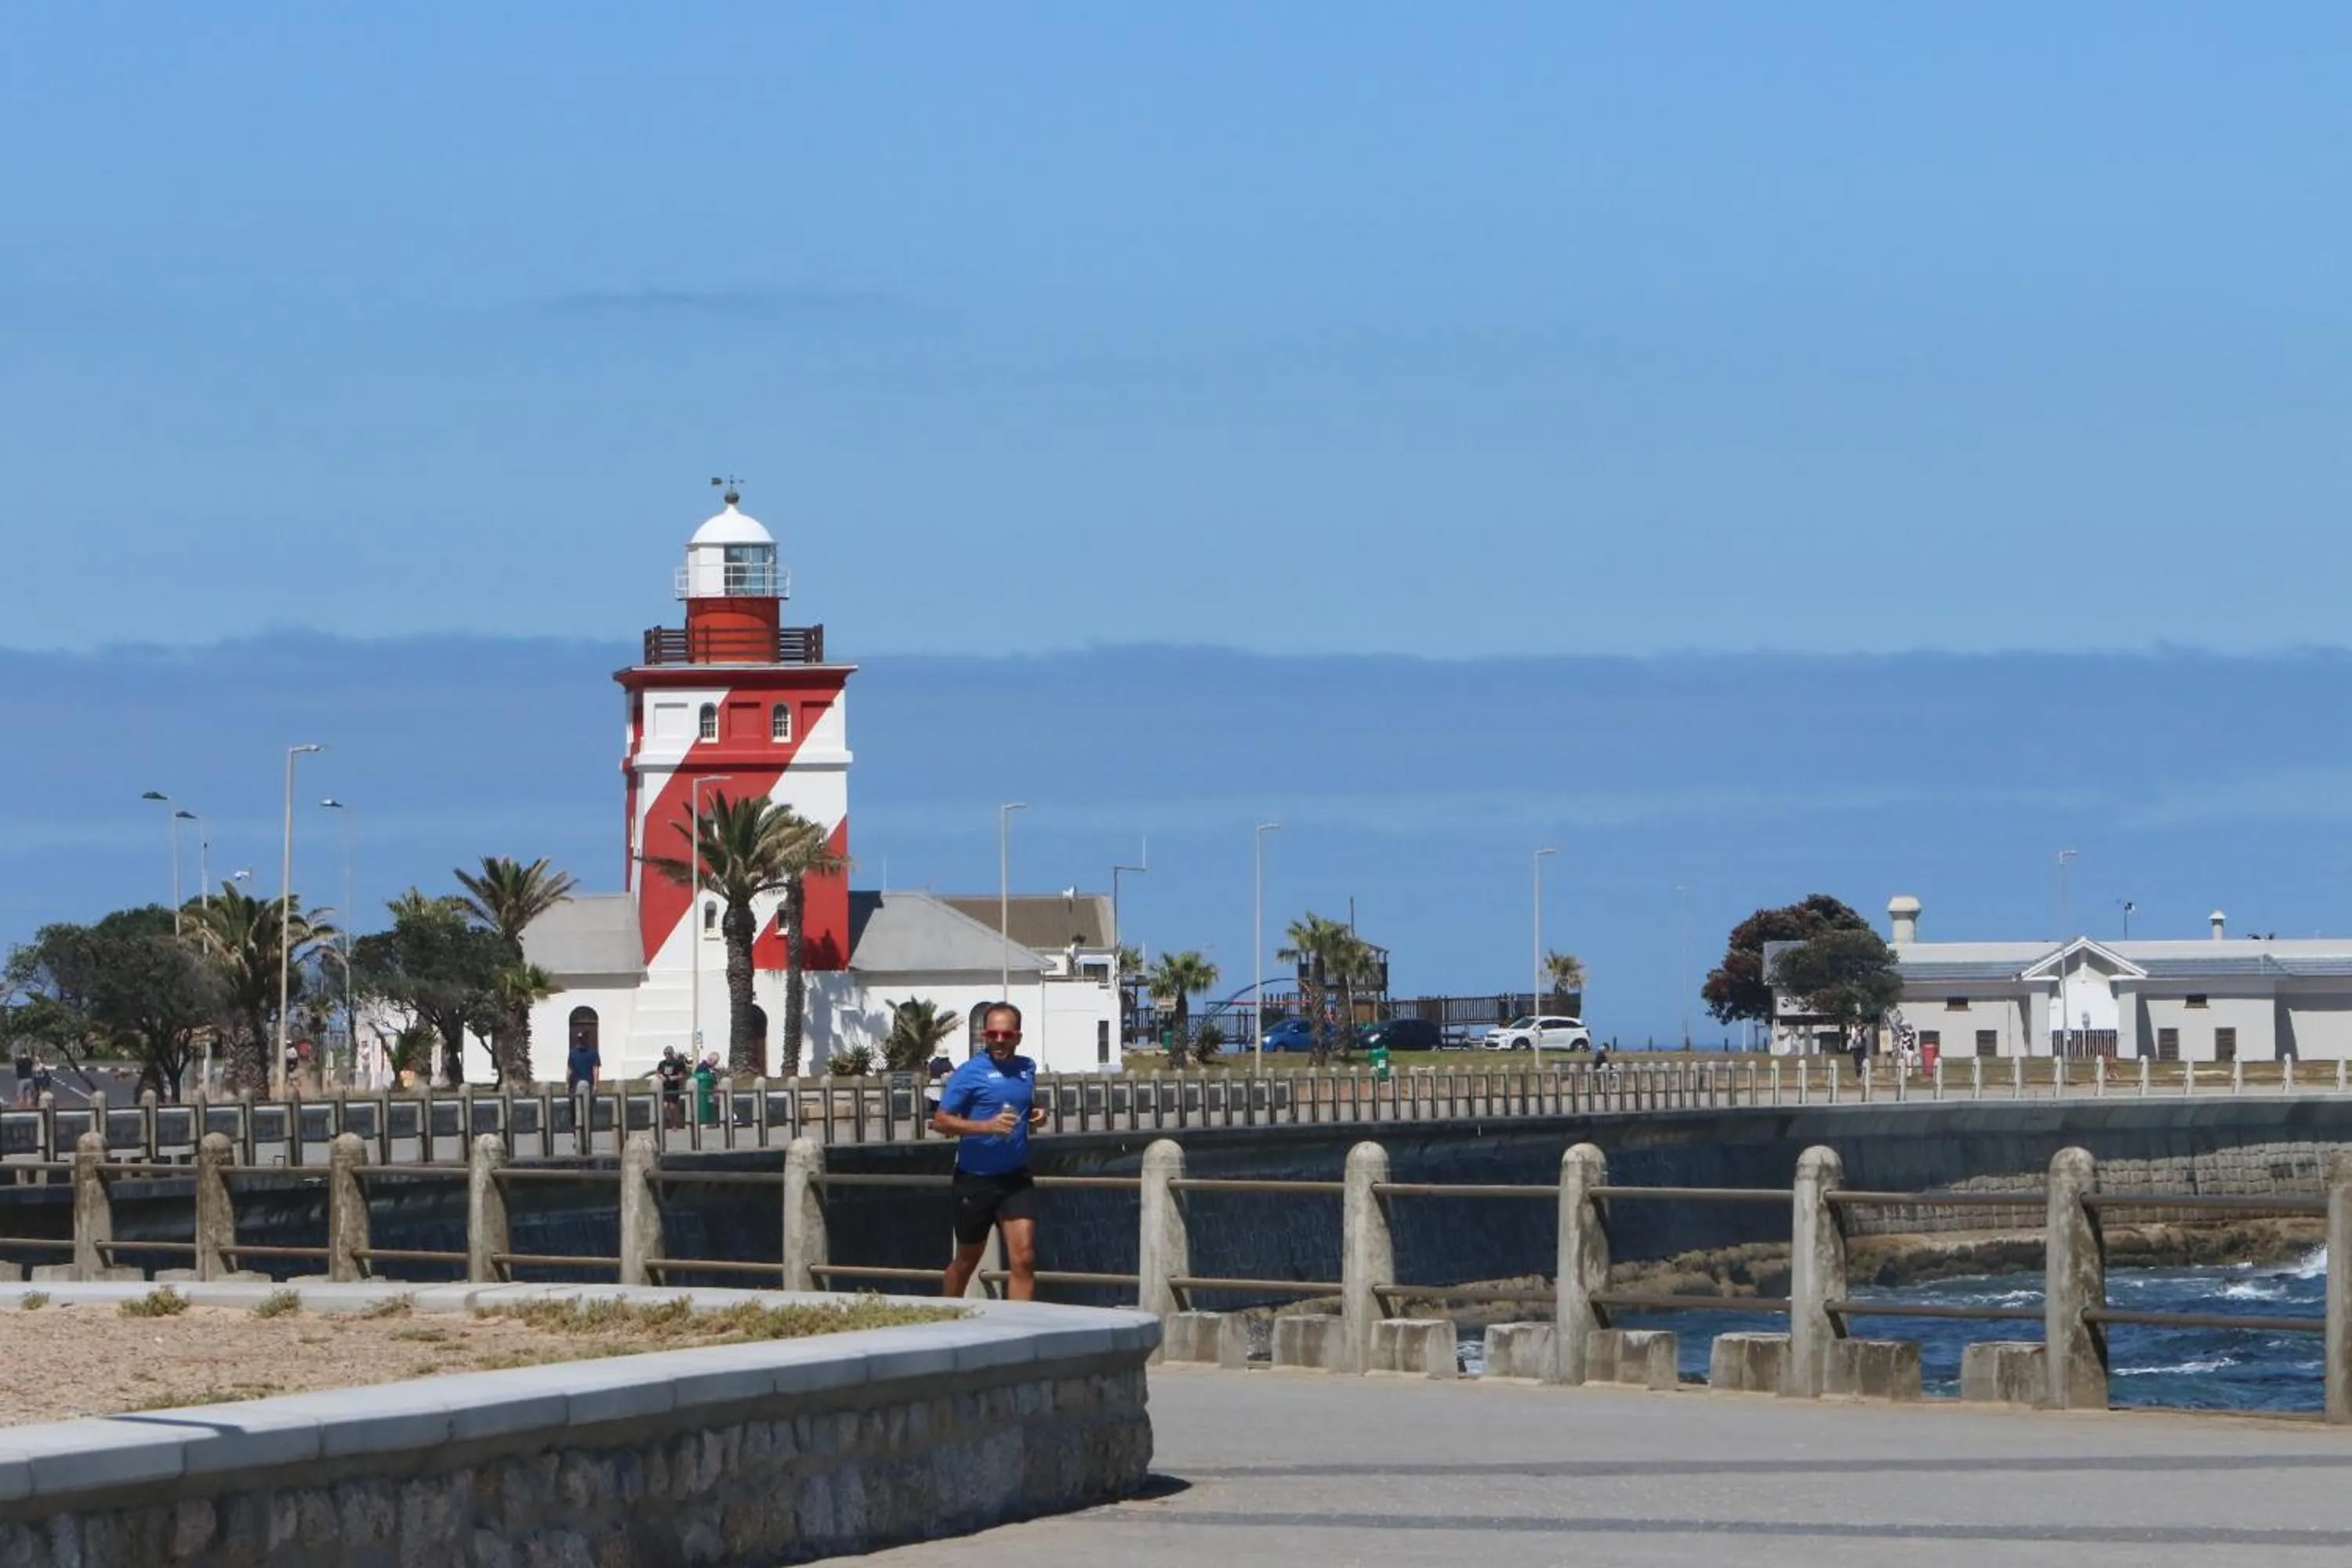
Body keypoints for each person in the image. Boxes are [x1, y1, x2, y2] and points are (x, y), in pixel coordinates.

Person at [932, 1001, 1047, 1301]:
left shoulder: (1027, 1068)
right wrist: (987, 1127)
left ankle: (1018, 1336)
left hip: (1015, 1179)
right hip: (976, 1179)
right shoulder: (969, 1073)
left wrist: (1036, 1114)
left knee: (1024, 1259)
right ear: (984, 1035)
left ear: (1018, 1037)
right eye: (992, 1033)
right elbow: (941, 1122)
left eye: (1006, 1035)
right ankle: (945, 1316)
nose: (999, 1040)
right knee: (967, 1260)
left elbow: (1021, 1104)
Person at [655, 1046, 687, 1127]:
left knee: (673, 1106)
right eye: (666, 1054)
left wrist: (674, 1077)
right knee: (665, 1105)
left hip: (674, 1087)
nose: (667, 1056)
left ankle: (675, 1123)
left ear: (672, 1053)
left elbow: (682, 1075)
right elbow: (658, 1073)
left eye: (669, 1054)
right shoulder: (662, 1063)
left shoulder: (678, 1063)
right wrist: (661, 1077)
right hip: (665, 1087)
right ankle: (668, 1121)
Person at [566, 1029, 602, 1096]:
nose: (580, 1041)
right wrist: (568, 1084)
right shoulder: (573, 1052)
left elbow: (595, 1070)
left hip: (587, 1084)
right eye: (580, 1039)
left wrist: (595, 1085)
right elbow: (569, 1070)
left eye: (581, 1039)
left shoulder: (592, 1053)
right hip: (575, 1084)